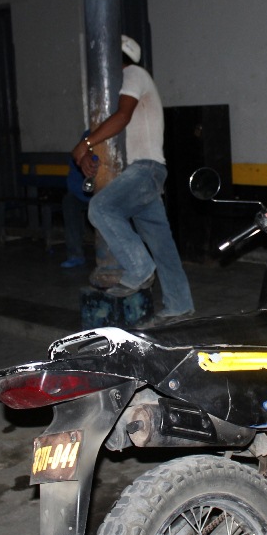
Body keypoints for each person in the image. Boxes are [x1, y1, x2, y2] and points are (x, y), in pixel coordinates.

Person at [71, 35, 194, 321]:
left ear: (117, 59)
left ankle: (139, 268)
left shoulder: (133, 74)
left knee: (100, 208)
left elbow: (122, 117)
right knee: (163, 245)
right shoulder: (135, 81)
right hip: (150, 171)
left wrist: (85, 144)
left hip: (146, 170)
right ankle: (180, 303)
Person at [60, 156, 90, 268]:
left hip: (107, 194)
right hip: (84, 194)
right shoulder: (84, 147)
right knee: (69, 201)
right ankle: (75, 254)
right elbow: (72, 181)